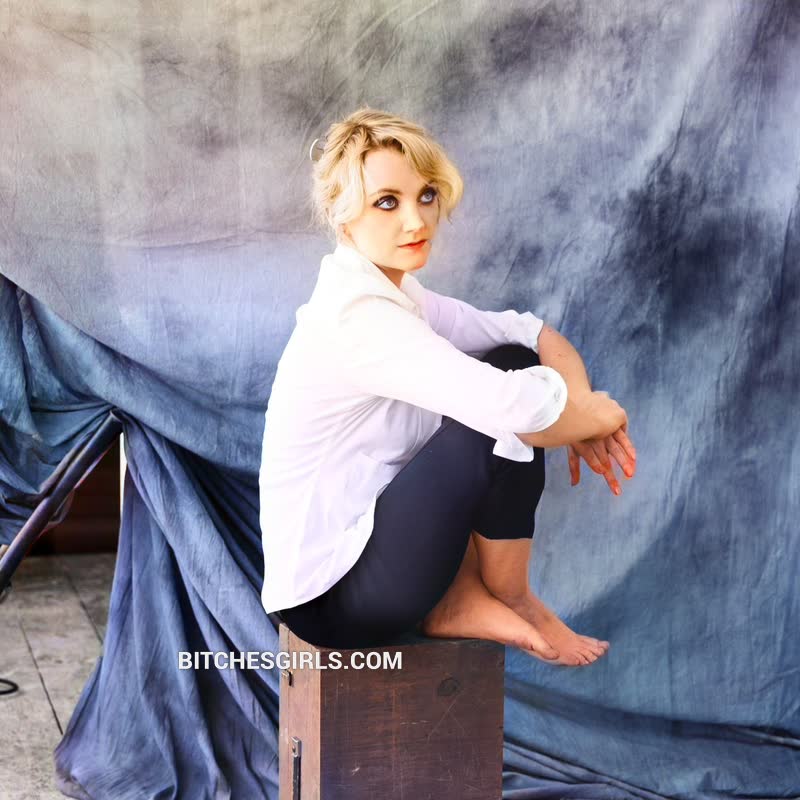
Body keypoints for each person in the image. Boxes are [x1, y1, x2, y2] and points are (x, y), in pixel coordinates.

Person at [259, 107, 636, 666]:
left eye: (426, 195)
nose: (417, 220)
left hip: (382, 550)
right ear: (343, 217)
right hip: (332, 598)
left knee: (511, 360)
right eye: (387, 202)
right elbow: (514, 410)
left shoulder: (396, 293)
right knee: (496, 408)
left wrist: (577, 406)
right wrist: (601, 416)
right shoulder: (356, 315)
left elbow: (526, 332)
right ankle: (505, 597)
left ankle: (477, 596)